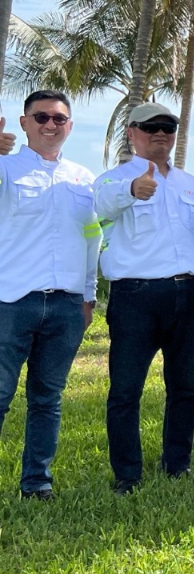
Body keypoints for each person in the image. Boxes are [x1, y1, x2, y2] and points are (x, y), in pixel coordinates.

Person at [94, 103, 194, 494]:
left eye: (168, 126)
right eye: (150, 127)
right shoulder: (112, 180)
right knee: (125, 391)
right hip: (136, 296)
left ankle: (177, 464)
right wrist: (132, 190)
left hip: (190, 294)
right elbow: (100, 208)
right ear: (131, 132)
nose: (161, 133)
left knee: (185, 387)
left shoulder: (191, 184)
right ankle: (127, 474)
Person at [0, 91, 100, 499]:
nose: (50, 125)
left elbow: (92, 238)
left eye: (59, 118)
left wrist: (89, 295)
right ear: (24, 123)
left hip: (67, 305)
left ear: (70, 127)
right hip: (11, 302)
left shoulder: (84, 178)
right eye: (41, 117)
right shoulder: (5, 168)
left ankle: (37, 484)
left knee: (47, 399)